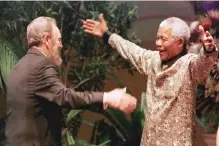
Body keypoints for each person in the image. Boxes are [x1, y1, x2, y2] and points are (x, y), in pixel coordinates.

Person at [83, 14, 218, 145]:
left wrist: (208, 50)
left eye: (163, 39)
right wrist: (107, 35)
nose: (158, 43)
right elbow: (131, 50)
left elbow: (202, 66)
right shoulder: (153, 60)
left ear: (180, 42)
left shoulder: (189, 64)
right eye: (157, 38)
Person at [4, 16, 137, 146]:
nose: (61, 46)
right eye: (59, 40)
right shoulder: (42, 64)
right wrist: (107, 97)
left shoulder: (19, 66)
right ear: (47, 39)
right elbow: (64, 96)